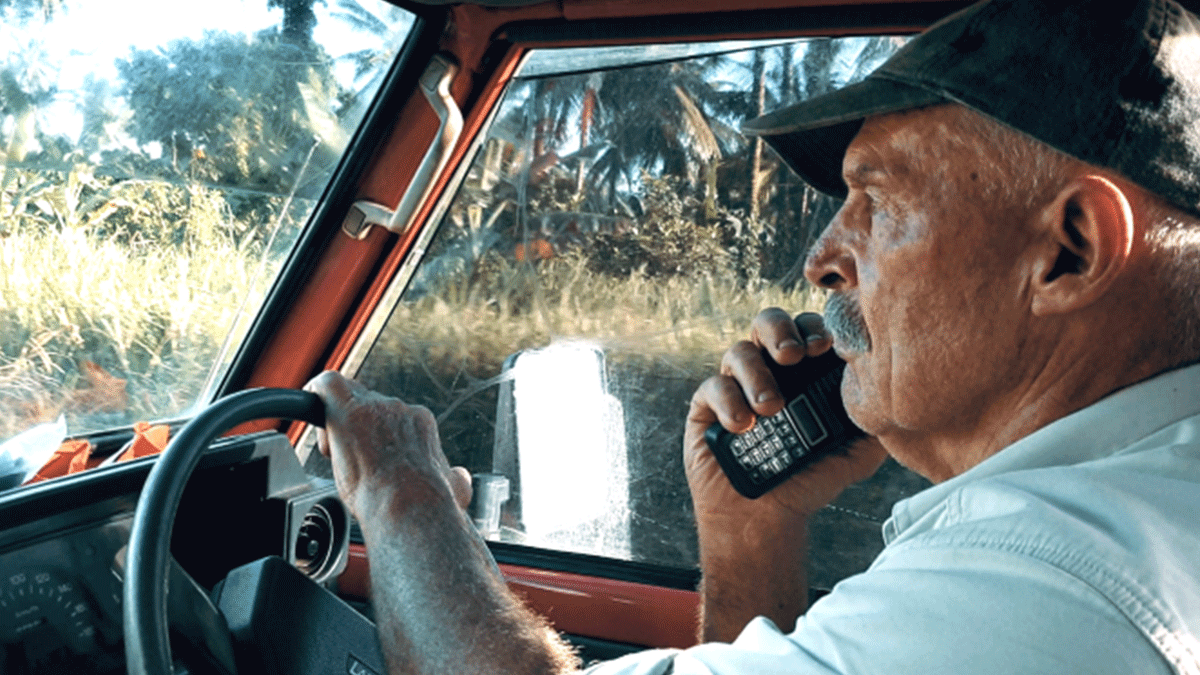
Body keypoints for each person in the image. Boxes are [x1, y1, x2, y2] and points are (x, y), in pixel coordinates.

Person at [304, 0, 1200, 672]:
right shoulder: (1141, 504)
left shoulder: (1041, 579)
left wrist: (403, 494)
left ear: (1071, 249)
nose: (822, 259)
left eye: (878, 202)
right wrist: (750, 535)